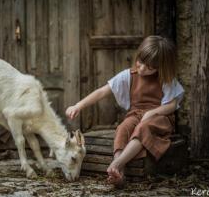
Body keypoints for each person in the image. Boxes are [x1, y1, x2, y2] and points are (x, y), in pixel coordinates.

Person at [65, 35, 184, 187]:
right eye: (140, 62)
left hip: (160, 117)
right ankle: (119, 176)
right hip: (136, 114)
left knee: (142, 128)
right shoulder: (129, 75)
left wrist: (152, 113)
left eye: (150, 68)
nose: (141, 68)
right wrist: (78, 106)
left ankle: (116, 165)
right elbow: (102, 91)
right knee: (122, 128)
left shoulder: (165, 78)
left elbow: (172, 105)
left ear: (161, 67)